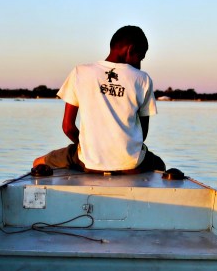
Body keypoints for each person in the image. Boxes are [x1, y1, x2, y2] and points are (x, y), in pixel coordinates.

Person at [33, 25, 165, 174]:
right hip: (131, 165)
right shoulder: (143, 79)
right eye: (140, 57)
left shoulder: (80, 72)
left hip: (88, 163)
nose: (139, 64)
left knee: (38, 163)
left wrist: (89, 148)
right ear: (131, 49)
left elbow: (67, 127)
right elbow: (143, 134)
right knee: (160, 165)